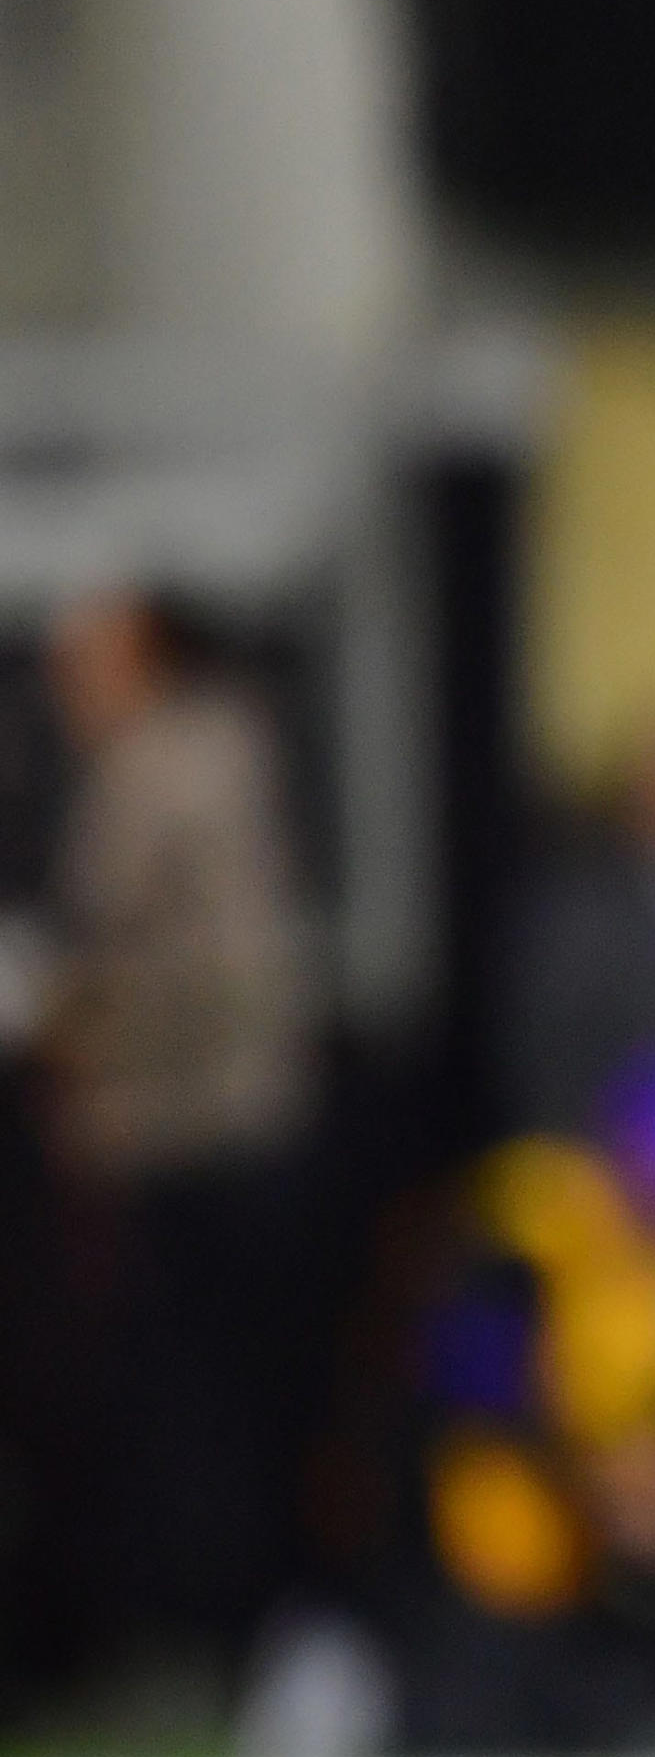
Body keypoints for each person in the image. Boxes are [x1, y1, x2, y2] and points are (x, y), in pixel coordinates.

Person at [40, 587, 318, 1689]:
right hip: (189, 1130)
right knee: (178, 1411)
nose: (69, 687)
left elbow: (219, 972)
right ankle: (210, 1639)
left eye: (87, 658)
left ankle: (228, 1644)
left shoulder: (181, 762)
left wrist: (74, 1014)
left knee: (204, 1413)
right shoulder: (187, 755)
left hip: (204, 1134)